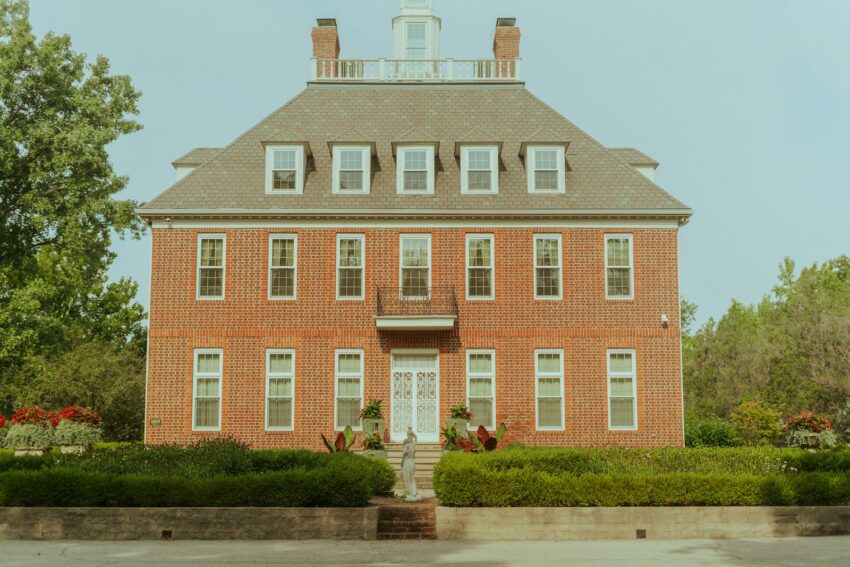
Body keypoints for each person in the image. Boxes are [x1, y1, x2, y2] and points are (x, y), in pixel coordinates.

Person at [401, 427, 421, 501]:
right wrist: (413, 434)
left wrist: (401, 465)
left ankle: (411, 493)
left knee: (408, 478)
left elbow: (403, 456)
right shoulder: (413, 445)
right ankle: (414, 492)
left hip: (407, 463)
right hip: (413, 462)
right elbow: (416, 439)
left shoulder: (407, 446)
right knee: (412, 478)